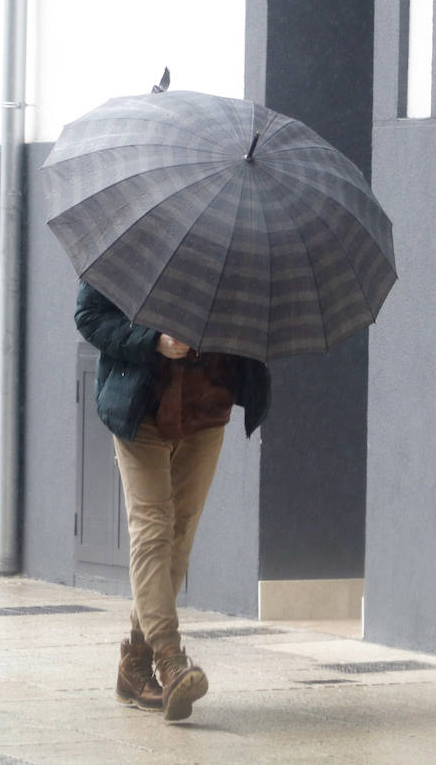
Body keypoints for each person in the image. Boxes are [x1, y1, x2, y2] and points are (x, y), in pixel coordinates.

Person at [75, 281, 269, 721]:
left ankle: (134, 664)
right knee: (153, 528)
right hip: (142, 411)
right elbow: (90, 318)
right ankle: (169, 657)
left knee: (179, 537)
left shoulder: (238, 254)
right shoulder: (134, 243)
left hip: (207, 411)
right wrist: (154, 341)